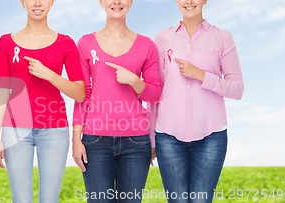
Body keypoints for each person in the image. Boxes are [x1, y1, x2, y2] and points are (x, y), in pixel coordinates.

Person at [0, 0, 86, 202]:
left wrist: (49, 75)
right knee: (21, 198)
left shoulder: (65, 43)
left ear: (51, 3)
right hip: (14, 129)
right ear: (22, 2)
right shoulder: (6, 42)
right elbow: (2, 90)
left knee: (49, 199)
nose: (37, 3)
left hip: (54, 130)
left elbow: (80, 93)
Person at [152, 0, 244, 202]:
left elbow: (237, 89)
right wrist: (151, 137)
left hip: (211, 137)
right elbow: (155, 90)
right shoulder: (162, 38)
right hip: (168, 136)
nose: (189, 1)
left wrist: (202, 75)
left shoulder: (222, 38)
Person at [72, 0, 162, 202]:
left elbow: (154, 94)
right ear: (101, 2)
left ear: (130, 2)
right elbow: (82, 93)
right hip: (94, 141)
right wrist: (76, 139)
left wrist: (135, 82)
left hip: (136, 141)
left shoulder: (146, 45)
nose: (117, 2)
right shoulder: (86, 43)